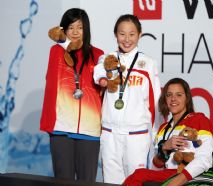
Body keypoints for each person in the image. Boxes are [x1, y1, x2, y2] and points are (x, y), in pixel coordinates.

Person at [93, 14, 161, 184]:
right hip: (109, 134)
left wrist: (156, 135)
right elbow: (98, 73)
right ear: (116, 34)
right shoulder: (107, 59)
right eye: (122, 34)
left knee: (136, 181)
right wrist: (104, 79)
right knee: (111, 181)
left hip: (137, 135)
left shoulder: (148, 63)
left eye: (132, 34)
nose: (127, 39)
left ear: (139, 34)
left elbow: (155, 102)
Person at [40, 8, 104, 181]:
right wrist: (63, 45)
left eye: (80, 27)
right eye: (70, 27)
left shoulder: (98, 55)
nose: (75, 32)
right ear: (63, 30)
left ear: (87, 29)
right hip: (61, 129)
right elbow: (51, 80)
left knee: (87, 182)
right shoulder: (56, 51)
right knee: (63, 181)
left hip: (89, 129)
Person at [123, 77, 213, 186]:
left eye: (179, 95)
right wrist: (164, 149)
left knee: (139, 175)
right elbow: (156, 166)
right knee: (137, 175)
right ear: (165, 99)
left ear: (187, 98)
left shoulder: (199, 120)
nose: (173, 99)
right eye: (169, 95)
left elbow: (205, 159)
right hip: (167, 174)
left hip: (187, 175)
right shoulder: (164, 128)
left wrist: (177, 181)